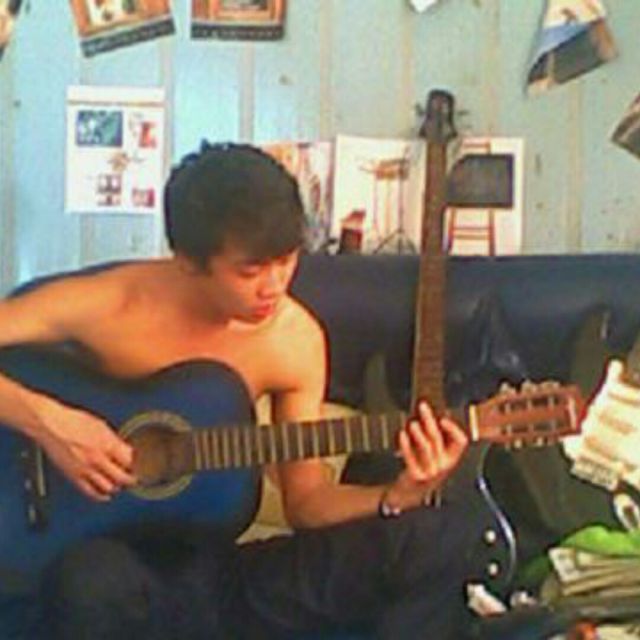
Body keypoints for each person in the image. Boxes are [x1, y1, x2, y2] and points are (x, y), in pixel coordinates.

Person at [0, 142, 482, 639]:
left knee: (434, 534)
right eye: (250, 272)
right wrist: (50, 424)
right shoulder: (110, 303)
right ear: (189, 261)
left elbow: (307, 504)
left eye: (287, 260)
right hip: (85, 567)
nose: (274, 286)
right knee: (94, 583)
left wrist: (396, 496)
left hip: (210, 577)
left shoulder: (294, 340)